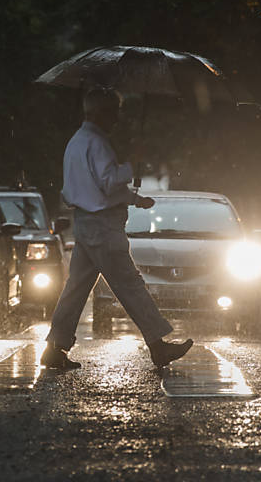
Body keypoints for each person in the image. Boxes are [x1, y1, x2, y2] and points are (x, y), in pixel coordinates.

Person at [41, 87, 193, 370]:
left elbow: (93, 188)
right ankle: (158, 345)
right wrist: (130, 163)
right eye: (114, 111)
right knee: (130, 284)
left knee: (76, 288)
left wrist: (135, 199)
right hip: (103, 226)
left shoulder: (76, 142)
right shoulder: (97, 143)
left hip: (87, 223)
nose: (118, 118)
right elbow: (109, 182)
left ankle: (55, 347)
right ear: (101, 112)